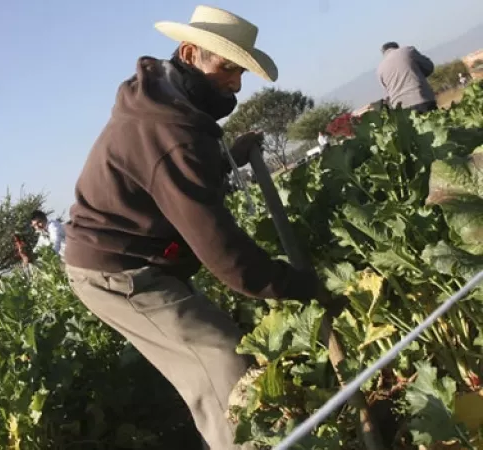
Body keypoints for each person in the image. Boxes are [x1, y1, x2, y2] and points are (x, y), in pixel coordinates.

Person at [62, 6, 340, 449]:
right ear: (190, 53)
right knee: (226, 367)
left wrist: (230, 156)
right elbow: (224, 254)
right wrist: (297, 286)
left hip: (147, 259)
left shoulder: (163, 103)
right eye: (228, 68)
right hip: (118, 273)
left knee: (226, 357)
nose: (235, 83)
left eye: (241, 73)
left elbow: (179, 179)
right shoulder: (168, 132)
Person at [376, 41, 437, 113]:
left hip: (400, 109)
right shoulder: (408, 50)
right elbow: (429, 66)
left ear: (383, 53)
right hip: (421, 98)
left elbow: (387, 90)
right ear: (397, 47)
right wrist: (418, 74)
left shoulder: (380, 69)